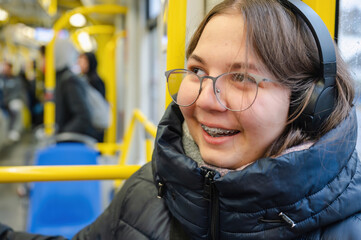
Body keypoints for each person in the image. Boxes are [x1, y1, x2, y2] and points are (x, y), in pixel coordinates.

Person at [0, 0, 360, 239]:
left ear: (312, 104)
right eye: (197, 70)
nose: (205, 99)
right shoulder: (150, 187)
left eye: (242, 78)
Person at [53, 39, 99, 141]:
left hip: (72, 145)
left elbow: (83, 116)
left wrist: (63, 137)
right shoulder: (63, 79)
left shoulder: (68, 81)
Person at [77, 52, 106, 142]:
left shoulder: (94, 81)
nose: (80, 65)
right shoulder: (97, 80)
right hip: (96, 125)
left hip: (93, 126)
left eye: (83, 62)